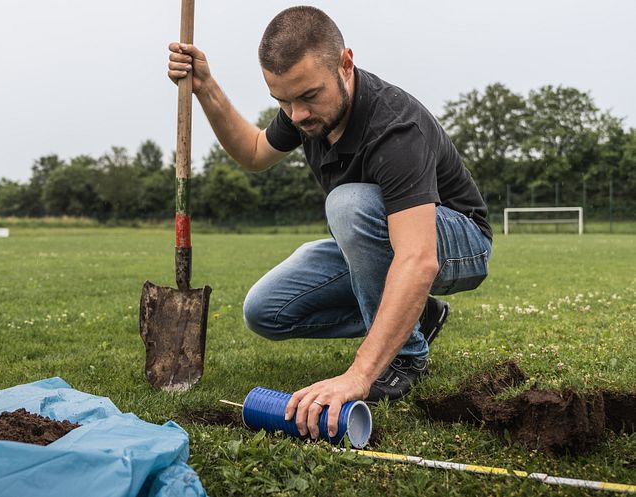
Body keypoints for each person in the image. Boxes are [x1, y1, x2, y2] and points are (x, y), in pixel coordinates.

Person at [167, 6, 492, 441]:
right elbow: (254, 152)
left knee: (348, 204)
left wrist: (359, 374)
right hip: (386, 240)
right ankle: (415, 315)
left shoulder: (395, 130)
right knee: (265, 310)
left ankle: (406, 355)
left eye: (307, 96)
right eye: (283, 101)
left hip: (458, 240)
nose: (296, 115)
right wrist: (206, 87)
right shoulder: (307, 113)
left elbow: (418, 259)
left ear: (345, 63)